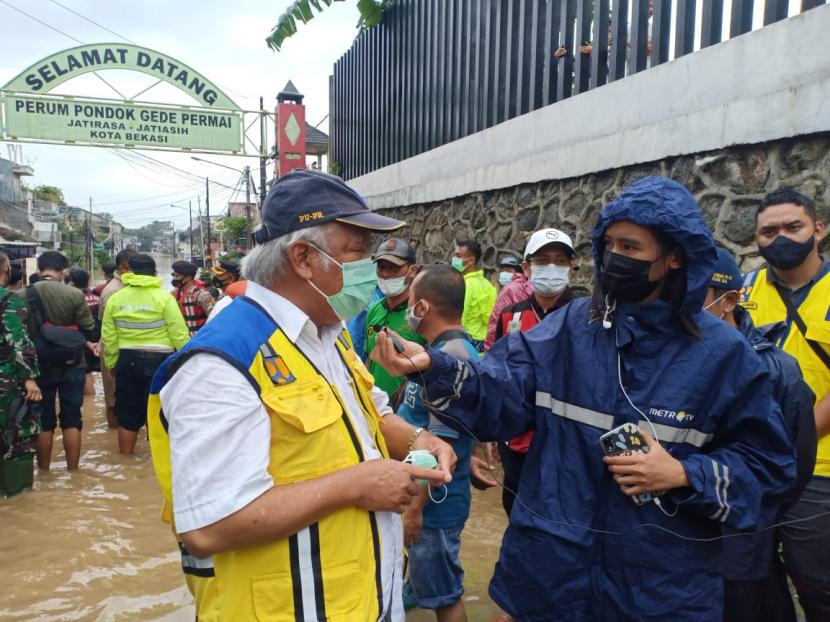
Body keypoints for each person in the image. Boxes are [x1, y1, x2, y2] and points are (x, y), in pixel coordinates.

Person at [372, 176, 796, 621]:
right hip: (551, 579)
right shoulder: (572, 329)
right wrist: (434, 366)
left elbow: (767, 467)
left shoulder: (722, 355)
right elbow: (501, 387)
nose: (615, 258)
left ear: (674, 257)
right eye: (609, 244)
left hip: (658, 592)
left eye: (631, 248)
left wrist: (682, 473)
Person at [146, 169, 454, 621]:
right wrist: (357, 484)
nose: (370, 268)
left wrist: (418, 440)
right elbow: (208, 526)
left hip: (361, 600)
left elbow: (369, 415)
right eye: (358, 252)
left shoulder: (329, 334)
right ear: (304, 258)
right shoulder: (222, 361)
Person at [702, 247, 816, 622]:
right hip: (681, 541)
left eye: (694, 293)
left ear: (728, 300)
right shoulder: (671, 362)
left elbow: (793, 466)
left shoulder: (777, 371)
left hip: (744, 542)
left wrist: (755, 511)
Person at [740, 187, 830, 621]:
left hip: (818, 469)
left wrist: (798, 437)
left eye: (793, 227)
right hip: (753, 462)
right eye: (768, 231)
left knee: (815, 579)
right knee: (755, 576)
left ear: (818, 229)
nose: (781, 238)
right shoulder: (745, 290)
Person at [397, 264, 476, 622]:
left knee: (445, 596)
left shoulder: (453, 356)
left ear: (423, 308)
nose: (407, 309)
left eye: (411, 300)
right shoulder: (440, 351)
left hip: (433, 505)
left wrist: (414, 510)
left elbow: (440, 446)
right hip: (424, 498)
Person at [492, 228, 579, 516]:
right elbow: (501, 371)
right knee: (514, 503)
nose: (551, 267)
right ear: (527, 268)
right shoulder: (511, 315)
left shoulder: (584, 314)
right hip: (517, 435)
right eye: (543, 260)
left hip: (564, 436)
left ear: (571, 268)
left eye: (560, 260)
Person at [102, 254, 188, 455]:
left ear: (130, 272)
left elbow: (108, 336)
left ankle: (126, 463)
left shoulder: (116, 299)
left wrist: (112, 363)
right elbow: (179, 333)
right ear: (155, 272)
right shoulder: (165, 297)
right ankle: (155, 466)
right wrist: (186, 362)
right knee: (159, 414)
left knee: (128, 417)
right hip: (160, 361)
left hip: (127, 360)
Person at [27, 251, 97, 471]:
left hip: (38, 366)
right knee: (72, 418)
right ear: (63, 270)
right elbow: (89, 330)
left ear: (38, 270)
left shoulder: (22, 295)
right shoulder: (75, 295)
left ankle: (44, 472)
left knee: (44, 420)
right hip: (73, 363)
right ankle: (73, 471)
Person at [363, 238, 426, 398]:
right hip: (374, 403)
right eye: (381, 267)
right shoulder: (374, 309)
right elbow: (369, 359)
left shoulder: (420, 313)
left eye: (393, 267)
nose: (385, 274)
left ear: (413, 271)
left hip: (405, 407)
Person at [0, 251, 41, 475]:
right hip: (6, 381)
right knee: (18, 439)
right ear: (7, 270)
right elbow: (16, 340)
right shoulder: (9, 299)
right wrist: (29, 378)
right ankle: (17, 497)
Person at [99, 248, 138, 429]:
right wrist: (111, 360)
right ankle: (114, 436)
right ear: (122, 269)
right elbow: (106, 328)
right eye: (133, 268)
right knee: (113, 399)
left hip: (133, 350)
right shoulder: (112, 292)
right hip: (114, 349)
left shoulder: (135, 286)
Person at [452, 240, 496, 350]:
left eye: (458, 256)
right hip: (478, 347)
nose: (454, 259)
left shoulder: (460, 285)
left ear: (470, 261)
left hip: (463, 345)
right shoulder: (488, 286)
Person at [66, 267, 101, 397]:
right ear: (88, 282)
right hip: (98, 341)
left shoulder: (73, 300)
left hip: (82, 342)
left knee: (85, 373)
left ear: (71, 283)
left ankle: (90, 403)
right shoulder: (98, 298)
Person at [171, 260, 215, 337]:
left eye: (177, 276)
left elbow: (214, 317)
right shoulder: (173, 294)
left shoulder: (202, 295)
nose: (174, 279)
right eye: (173, 275)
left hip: (199, 338)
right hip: (180, 338)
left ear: (188, 277)